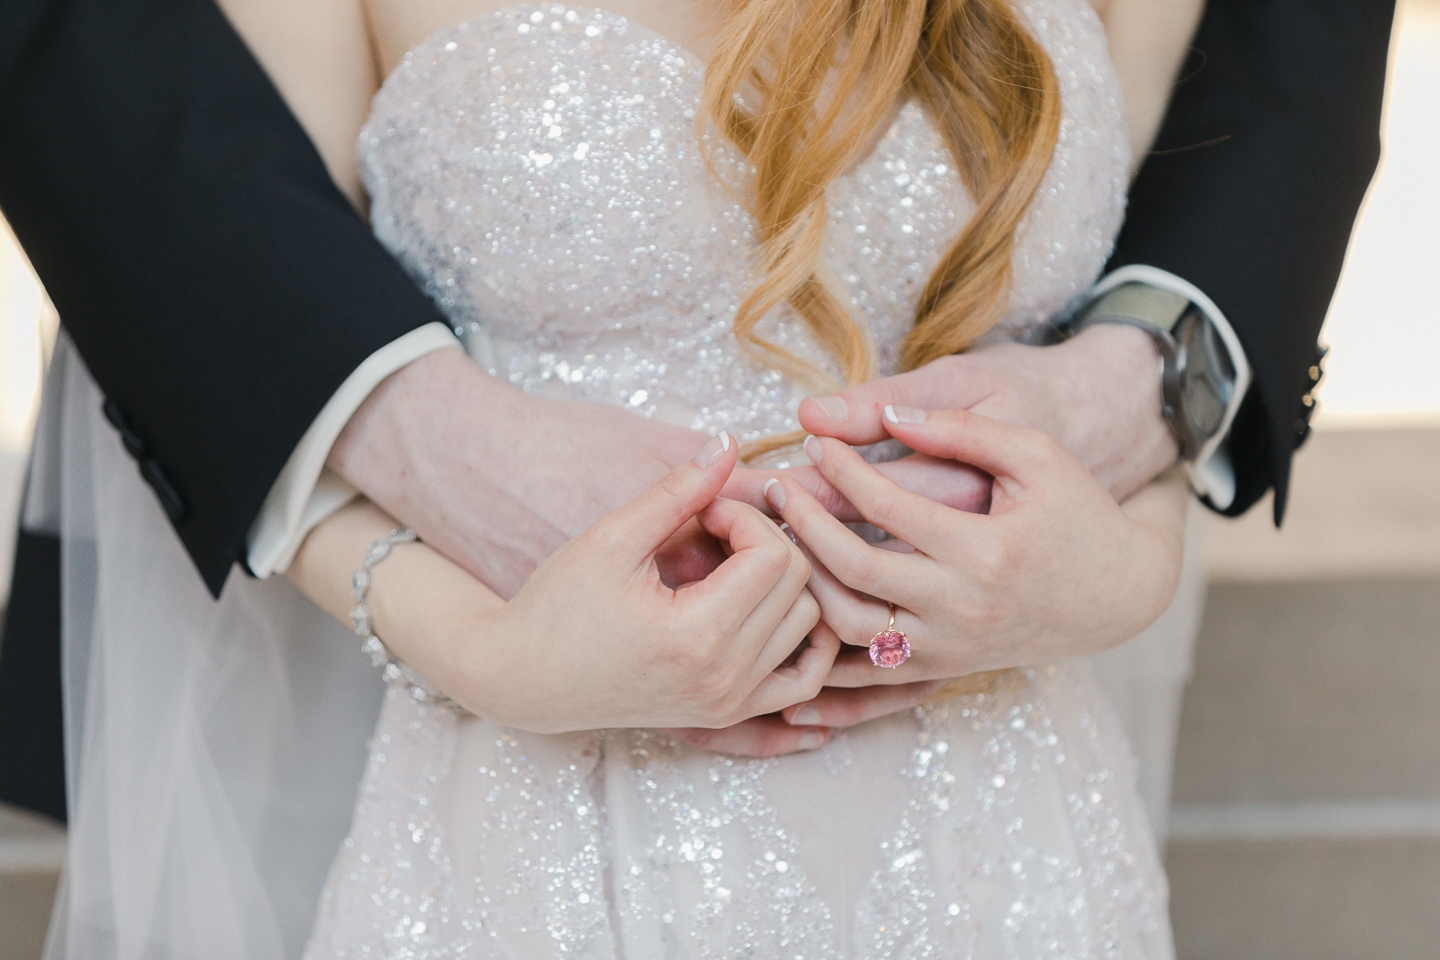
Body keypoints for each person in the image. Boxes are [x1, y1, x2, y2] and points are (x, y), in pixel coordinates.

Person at [0, 0, 1393, 955]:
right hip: (529, 859)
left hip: (1013, 851)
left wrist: (1129, 558)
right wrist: (484, 646)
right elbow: (238, 297)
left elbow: (1129, 323)